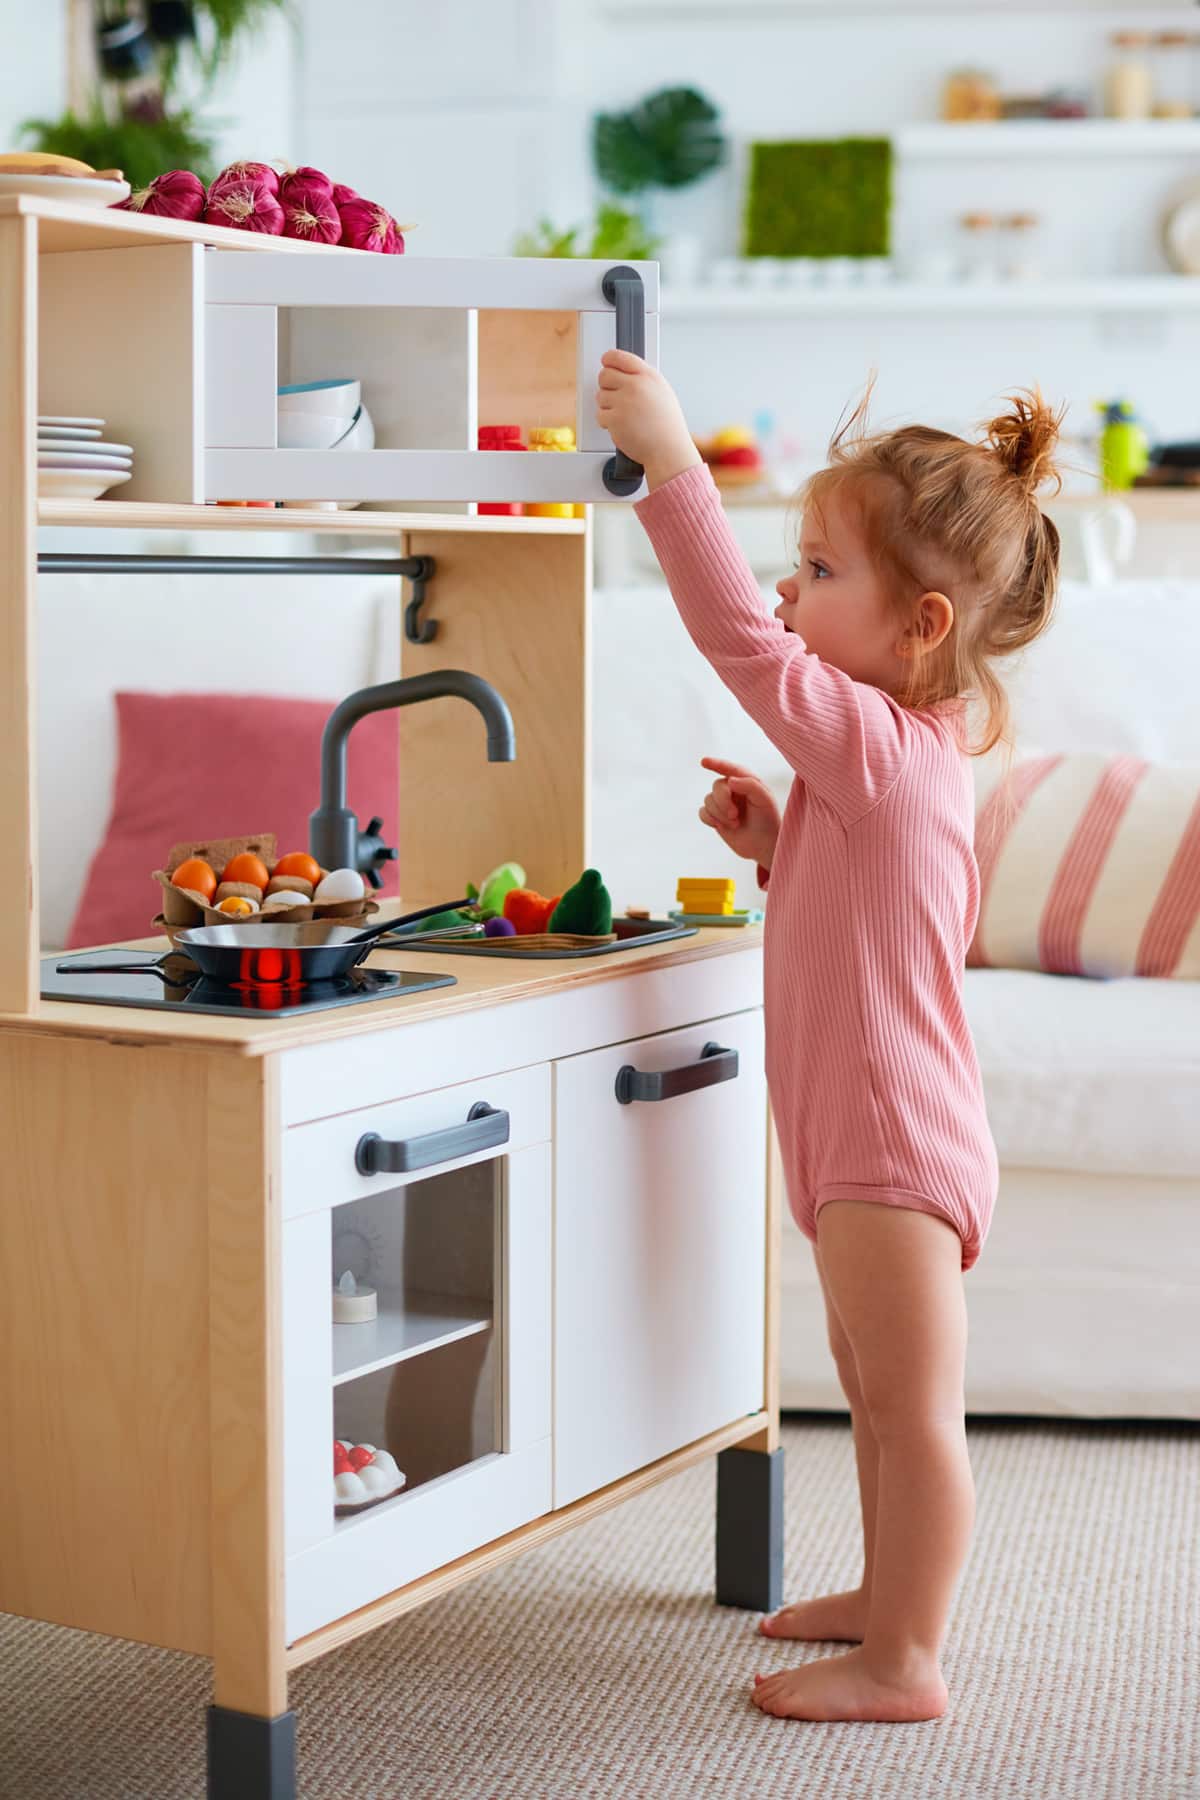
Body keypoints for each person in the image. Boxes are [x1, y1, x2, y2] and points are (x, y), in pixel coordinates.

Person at [596, 350, 1062, 1722]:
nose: (790, 594)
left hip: (889, 1147)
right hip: (858, 1136)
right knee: (867, 1386)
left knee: (912, 1412)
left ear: (920, 624)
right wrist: (780, 842)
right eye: (794, 565)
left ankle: (905, 1661)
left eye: (817, 571)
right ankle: (881, 1598)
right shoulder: (903, 750)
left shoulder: (875, 739)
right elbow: (874, 910)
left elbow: (734, 634)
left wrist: (675, 464)